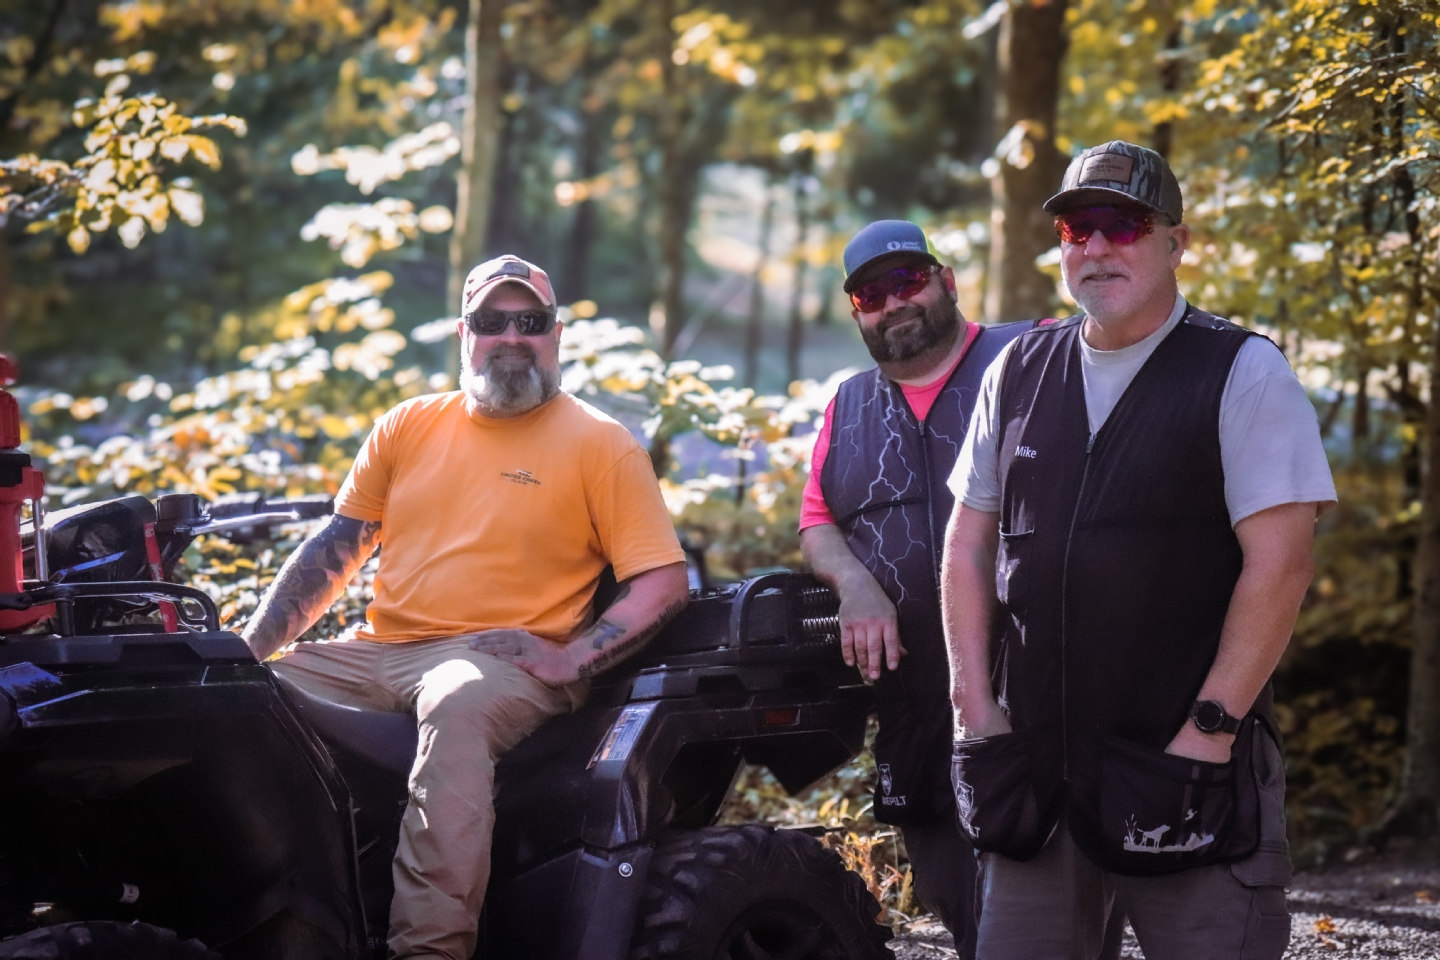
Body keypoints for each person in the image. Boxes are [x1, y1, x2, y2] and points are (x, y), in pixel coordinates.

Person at [941, 140, 1337, 959]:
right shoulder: (1018, 370)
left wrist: (1210, 730)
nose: (1097, 246)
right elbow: (969, 543)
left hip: (1188, 773)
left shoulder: (1241, 371)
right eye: (1076, 228)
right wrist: (973, 704)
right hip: (1035, 777)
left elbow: (1282, 565)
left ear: (1174, 242)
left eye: (1123, 224)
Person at [241, 254, 689, 960]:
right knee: (241, 697)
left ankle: (429, 951)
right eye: (490, 321)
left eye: (530, 322)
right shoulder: (407, 425)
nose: (511, 336)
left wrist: (572, 658)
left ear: (556, 335)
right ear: (464, 333)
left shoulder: (601, 444)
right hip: (379, 652)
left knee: (455, 703)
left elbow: (663, 581)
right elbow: (336, 549)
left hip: (499, 660)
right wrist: (245, 651)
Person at [798, 220, 1038, 958]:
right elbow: (817, 522)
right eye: (871, 295)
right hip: (914, 707)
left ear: (946, 281)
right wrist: (854, 583)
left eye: (907, 281)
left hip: (1036, 692)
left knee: (1043, 907)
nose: (893, 303)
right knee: (956, 900)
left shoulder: (1034, 355)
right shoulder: (846, 404)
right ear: (856, 313)